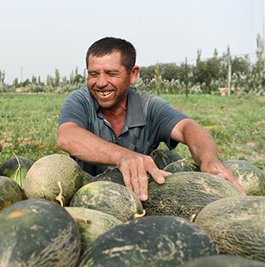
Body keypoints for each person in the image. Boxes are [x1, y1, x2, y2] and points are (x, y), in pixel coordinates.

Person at [57, 37, 245, 201]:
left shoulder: (149, 106)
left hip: (143, 199)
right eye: (93, 74)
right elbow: (67, 136)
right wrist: (122, 156)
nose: (100, 83)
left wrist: (209, 161)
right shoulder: (80, 100)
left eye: (111, 73)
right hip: (88, 199)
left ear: (133, 74)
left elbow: (188, 128)